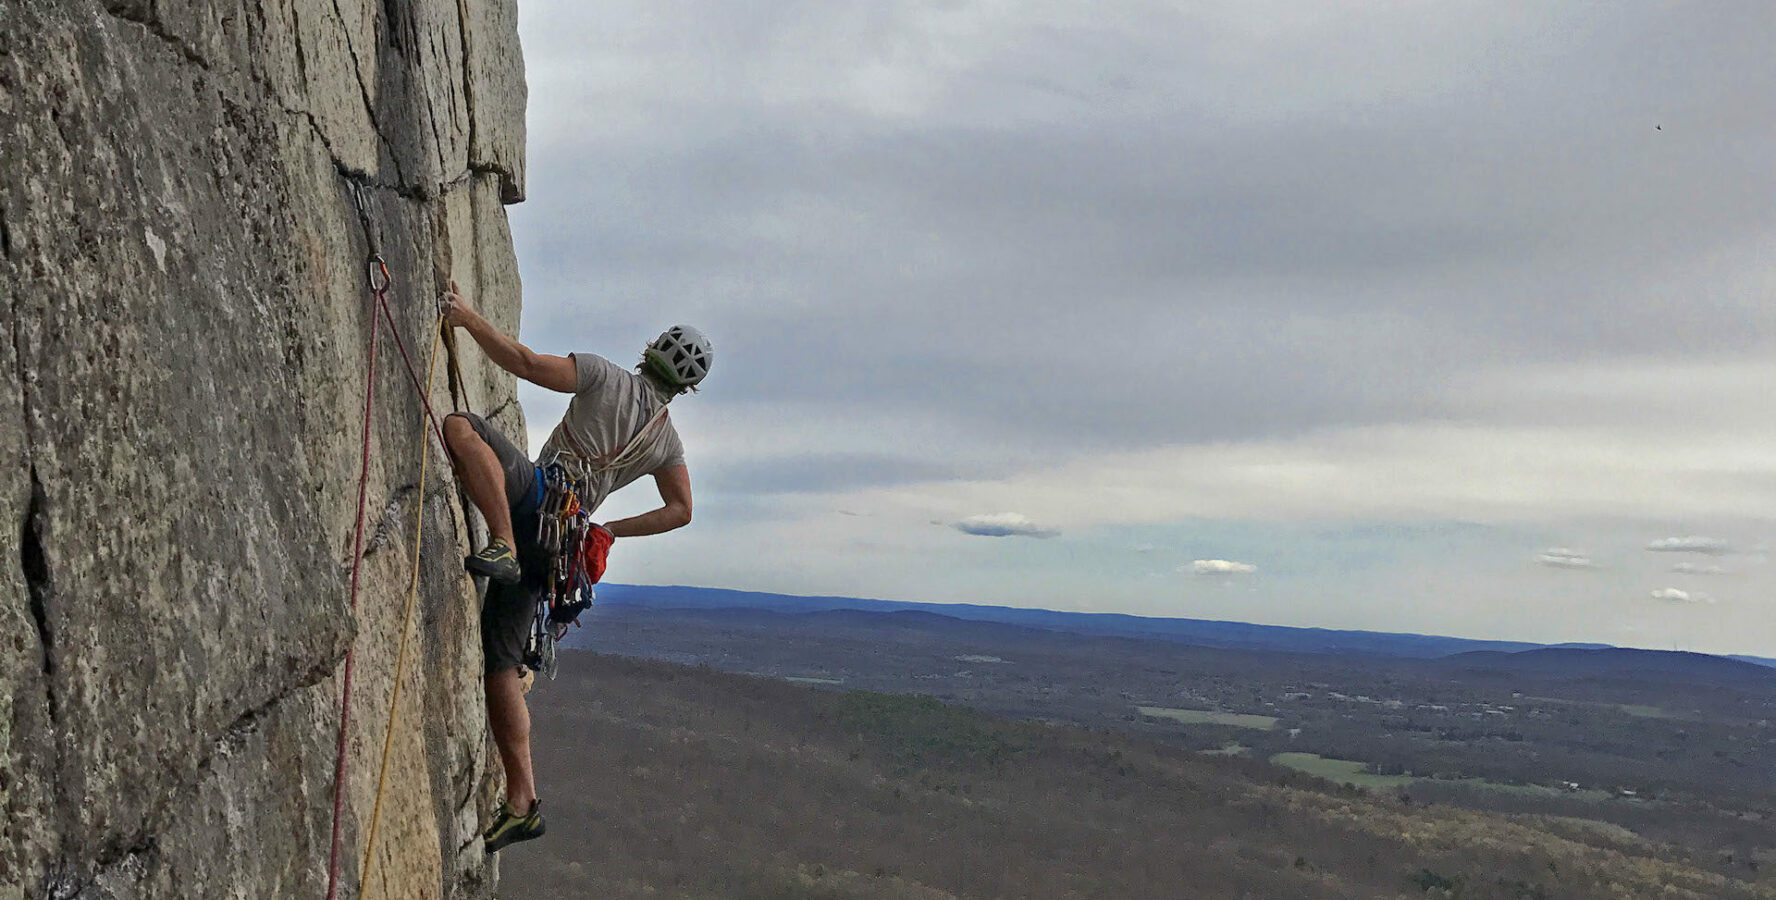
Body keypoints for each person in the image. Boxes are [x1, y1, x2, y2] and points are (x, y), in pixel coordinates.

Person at [437, 280, 710, 852]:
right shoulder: (666, 441)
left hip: (535, 505)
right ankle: (523, 801)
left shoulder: (604, 375)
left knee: (461, 427)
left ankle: (501, 543)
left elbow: (526, 363)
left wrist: (467, 317)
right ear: (686, 387)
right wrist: (609, 530)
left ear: (651, 350)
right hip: (562, 547)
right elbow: (682, 510)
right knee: (501, 666)